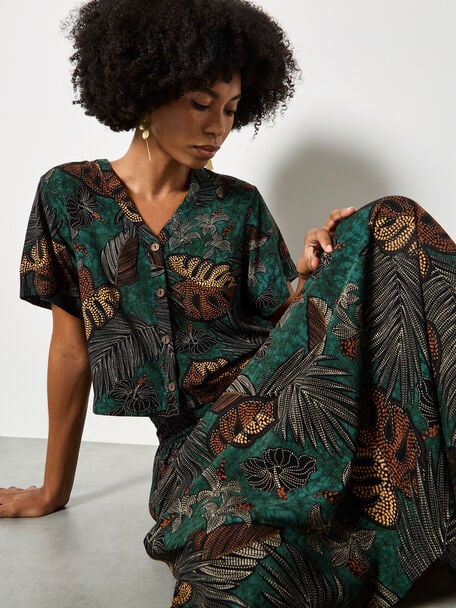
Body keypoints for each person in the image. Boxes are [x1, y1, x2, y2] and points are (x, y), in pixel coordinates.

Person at [1, 1, 455, 606]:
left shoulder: (239, 203)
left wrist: (313, 272)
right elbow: (70, 349)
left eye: (232, 109)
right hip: (201, 455)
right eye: (201, 103)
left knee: (391, 221)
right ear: (147, 90)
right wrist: (51, 491)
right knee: (245, 577)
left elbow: (287, 329)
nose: (218, 126)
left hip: (285, 408)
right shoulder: (68, 195)